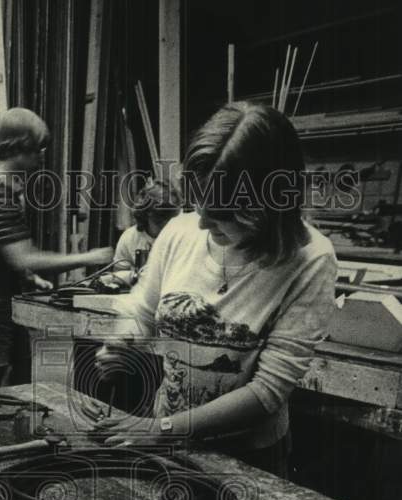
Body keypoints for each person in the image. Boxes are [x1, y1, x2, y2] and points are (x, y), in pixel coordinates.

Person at [96, 102, 337, 478]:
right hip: (166, 442)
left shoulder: (310, 259)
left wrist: (160, 431)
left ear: (268, 207)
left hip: (248, 460)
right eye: (199, 204)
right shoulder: (179, 232)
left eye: (222, 213)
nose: (202, 222)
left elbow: (267, 392)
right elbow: (142, 311)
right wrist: (123, 341)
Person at [0, 107, 113, 390]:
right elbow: (23, 256)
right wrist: (90, 257)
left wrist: (31, 278)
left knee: (18, 387)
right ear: (17, 148)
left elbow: (6, 255)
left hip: (8, 299)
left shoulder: (9, 189)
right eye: (37, 149)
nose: (41, 156)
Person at [113, 176, 181, 280]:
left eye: (171, 219)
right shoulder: (129, 238)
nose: (167, 226)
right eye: (161, 220)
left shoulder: (182, 237)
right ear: (148, 214)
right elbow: (118, 275)